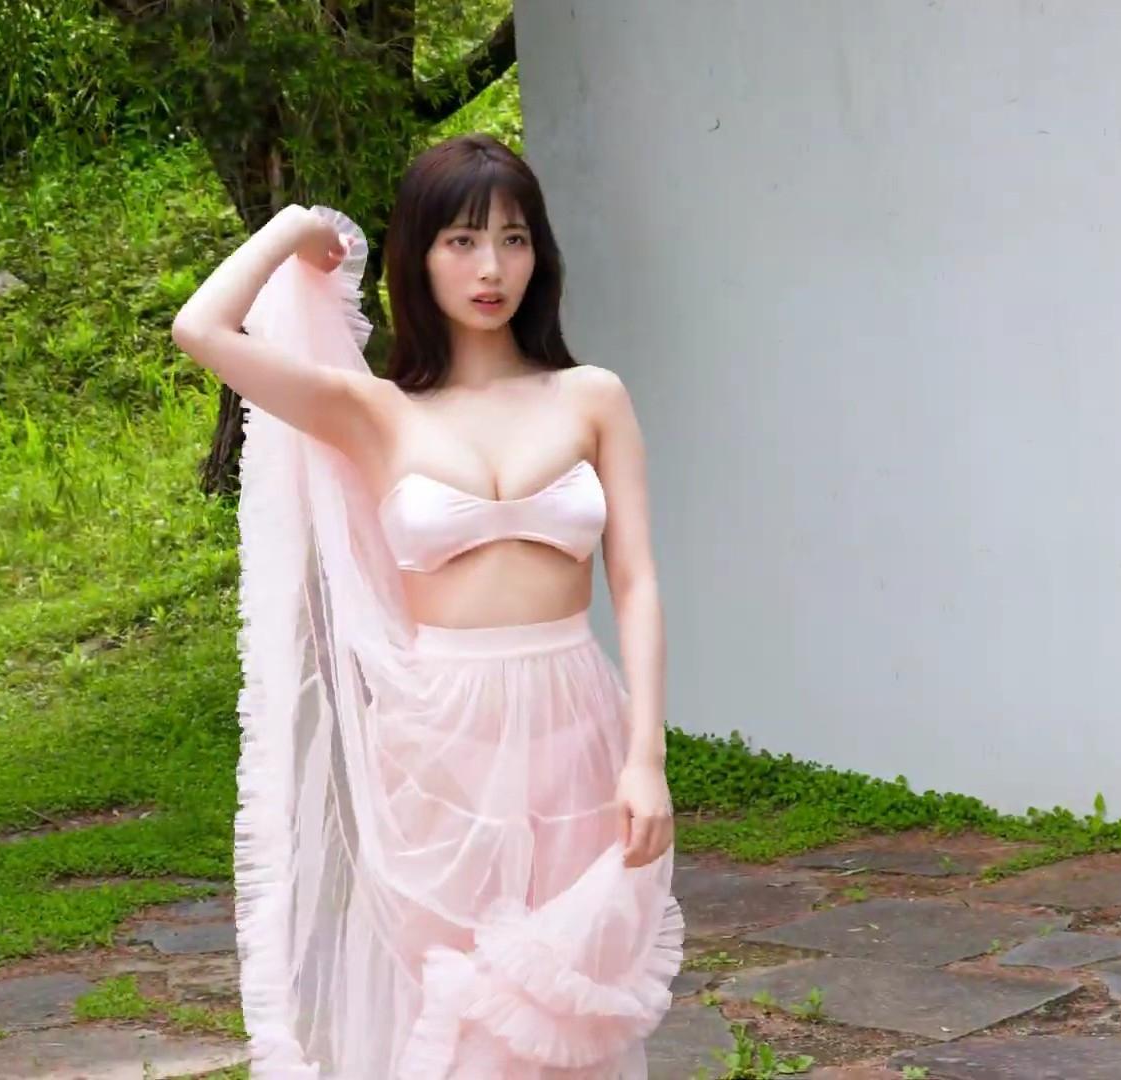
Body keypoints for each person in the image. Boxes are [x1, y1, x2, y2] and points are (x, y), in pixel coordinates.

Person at [170, 132, 683, 1078]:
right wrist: (296, 227)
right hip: (442, 731)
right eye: (462, 240)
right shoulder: (375, 412)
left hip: (575, 714)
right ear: (418, 254)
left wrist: (645, 757)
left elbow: (636, 579)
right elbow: (201, 330)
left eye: (514, 239)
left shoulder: (591, 397)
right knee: (458, 1000)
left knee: (568, 998)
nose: (492, 268)